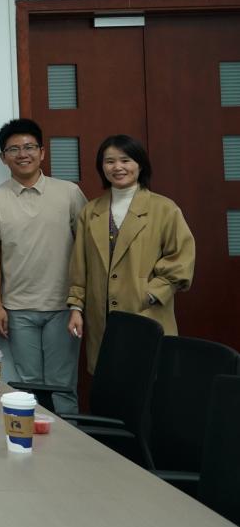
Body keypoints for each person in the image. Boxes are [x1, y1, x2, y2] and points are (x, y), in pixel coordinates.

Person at [0, 118, 86, 414]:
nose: (22, 154)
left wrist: (78, 304)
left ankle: (70, 443)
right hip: (16, 309)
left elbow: (86, 248)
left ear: (42, 152)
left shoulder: (69, 193)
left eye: (29, 147)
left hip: (62, 307)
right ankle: (30, 441)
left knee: (62, 387)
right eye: (13, 149)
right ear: (3, 158)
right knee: (26, 387)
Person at [68, 135, 196, 374]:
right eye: (109, 161)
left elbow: (181, 260)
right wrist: (76, 308)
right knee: (110, 380)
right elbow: (79, 266)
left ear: (140, 164)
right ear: (101, 167)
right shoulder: (90, 211)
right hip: (102, 317)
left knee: (147, 380)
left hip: (147, 313)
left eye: (125, 160)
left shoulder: (164, 209)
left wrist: (150, 294)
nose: (117, 167)